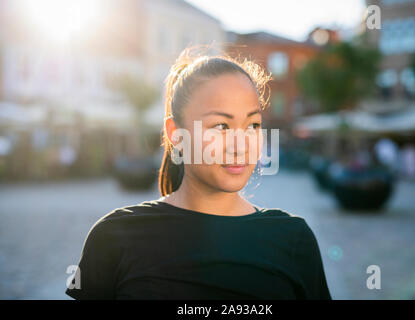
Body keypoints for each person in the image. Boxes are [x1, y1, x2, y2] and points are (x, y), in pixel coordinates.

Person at [65, 48, 331, 300]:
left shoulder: (293, 239)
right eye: (221, 126)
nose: (240, 146)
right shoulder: (114, 236)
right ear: (176, 135)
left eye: (253, 125)